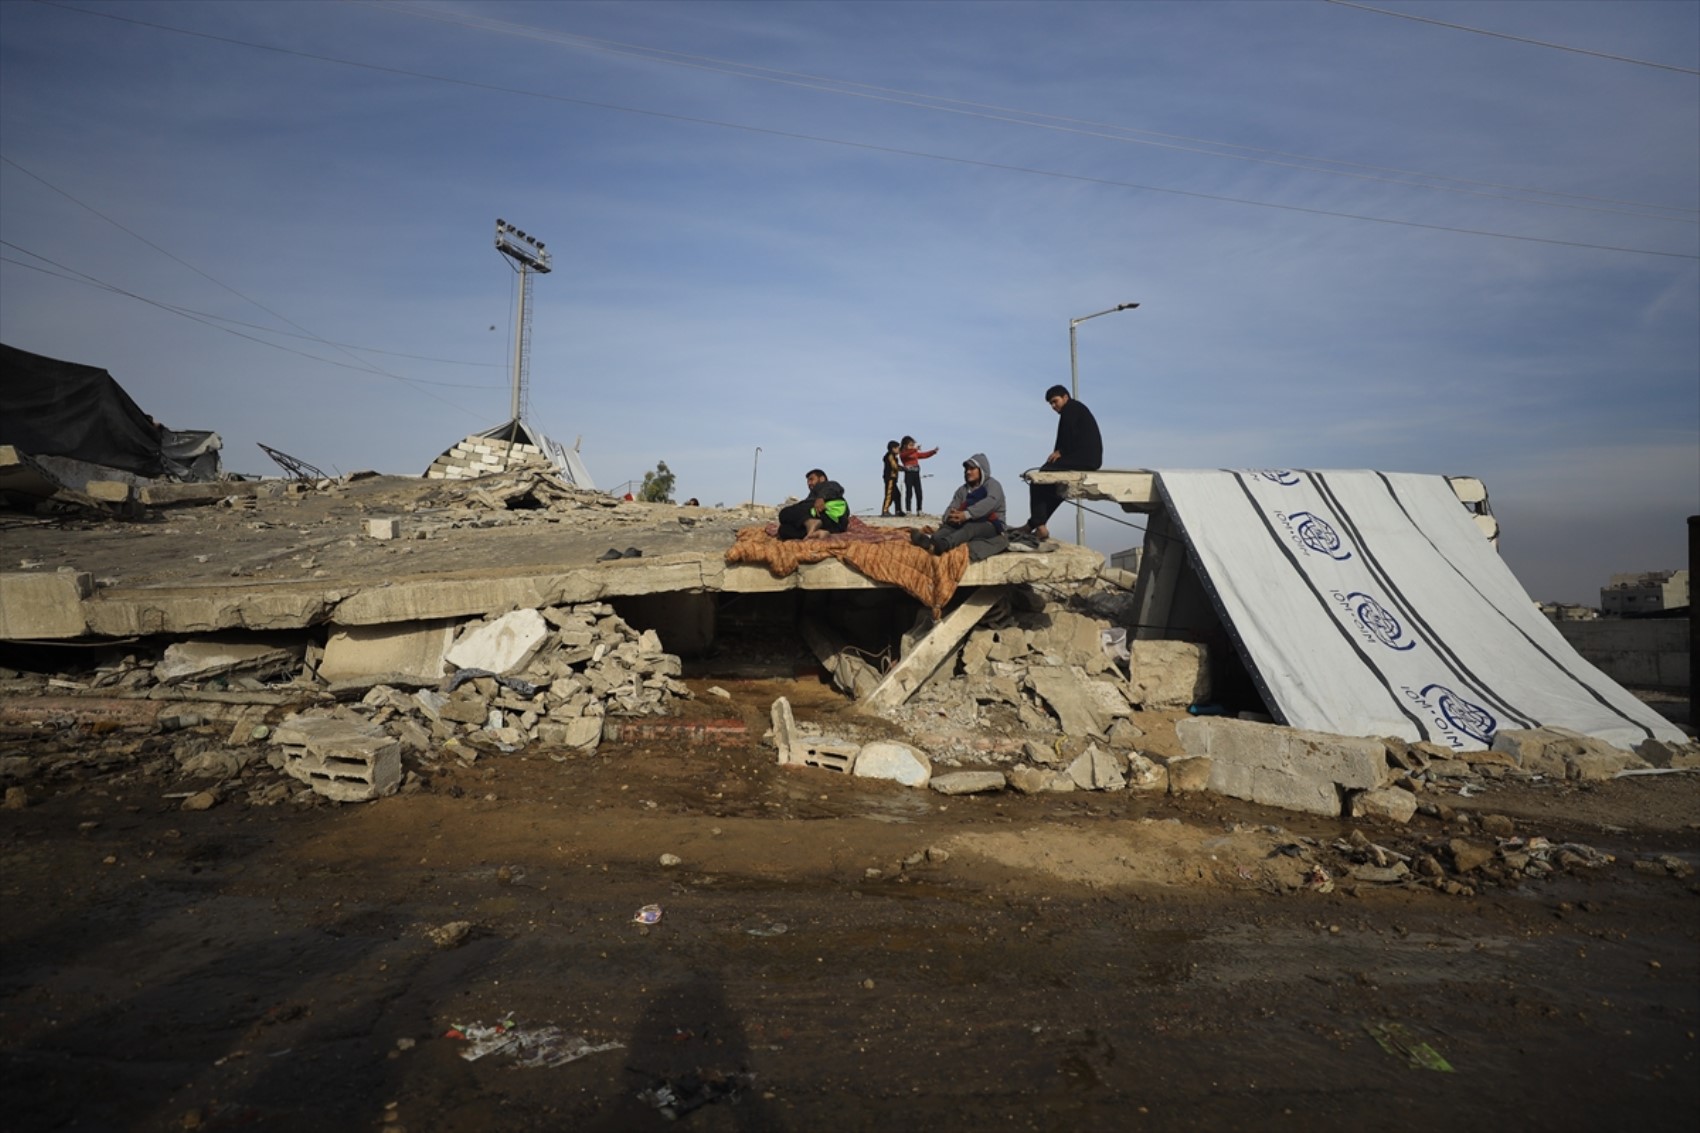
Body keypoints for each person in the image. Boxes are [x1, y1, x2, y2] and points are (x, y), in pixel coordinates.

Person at [1013, 385, 1102, 543]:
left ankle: (1038, 525)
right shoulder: (1074, 409)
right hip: (1086, 457)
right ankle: (1034, 524)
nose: (1054, 407)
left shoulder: (1071, 409)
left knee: (1040, 477)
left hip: (1084, 458)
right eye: (1051, 404)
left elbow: (1068, 437)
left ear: (1065, 397)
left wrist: (1061, 451)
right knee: (1054, 490)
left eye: (1055, 401)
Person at [910, 453, 1007, 560]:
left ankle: (943, 546)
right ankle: (930, 543)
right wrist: (951, 516)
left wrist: (966, 514)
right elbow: (952, 506)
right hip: (964, 521)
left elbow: (990, 503)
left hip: (991, 524)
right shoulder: (962, 490)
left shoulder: (992, 485)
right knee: (944, 530)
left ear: (982, 470)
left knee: (970, 528)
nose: (968, 472)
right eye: (966, 469)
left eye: (972, 468)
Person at [776, 469, 849, 541]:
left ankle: (810, 522)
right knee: (783, 530)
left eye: (811, 479)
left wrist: (821, 498)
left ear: (822, 479)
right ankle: (817, 533)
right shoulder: (813, 494)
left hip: (828, 516)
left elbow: (833, 487)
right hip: (831, 527)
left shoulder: (829, 484)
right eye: (808, 481)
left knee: (784, 513)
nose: (809, 483)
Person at [898, 436, 938, 515]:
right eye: (910, 445)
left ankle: (919, 509)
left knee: (919, 492)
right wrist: (915, 449)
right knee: (909, 492)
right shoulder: (903, 453)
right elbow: (905, 455)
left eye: (913, 445)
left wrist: (933, 452)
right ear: (905, 445)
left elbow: (924, 455)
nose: (912, 446)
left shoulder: (914, 452)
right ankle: (908, 510)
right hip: (908, 474)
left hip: (916, 474)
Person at [880, 440, 904, 517]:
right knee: (889, 494)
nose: (899, 450)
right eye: (898, 448)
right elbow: (894, 466)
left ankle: (898, 510)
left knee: (897, 494)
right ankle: (885, 511)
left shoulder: (893, 457)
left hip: (893, 478)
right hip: (890, 478)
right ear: (893, 448)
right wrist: (903, 469)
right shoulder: (890, 456)